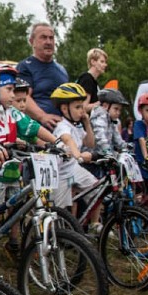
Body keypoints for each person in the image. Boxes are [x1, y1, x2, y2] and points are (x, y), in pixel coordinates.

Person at [49, 83, 102, 232]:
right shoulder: (62, 126)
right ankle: (57, 237)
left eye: (82, 106)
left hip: (73, 168)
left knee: (96, 190)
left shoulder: (76, 126)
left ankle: (94, 224)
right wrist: (78, 155)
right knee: (57, 213)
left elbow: (90, 143)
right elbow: (67, 140)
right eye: (77, 107)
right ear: (65, 109)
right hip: (60, 174)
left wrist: (86, 122)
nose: (82, 111)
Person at [16, 22, 69, 130]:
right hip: (38, 129)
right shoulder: (25, 67)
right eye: (43, 38)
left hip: (64, 128)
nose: (48, 42)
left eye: (51, 38)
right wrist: (42, 116)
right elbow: (22, 97)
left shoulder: (61, 70)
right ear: (32, 42)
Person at [89, 88, 128, 158]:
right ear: (105, 106)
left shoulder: (111, 120)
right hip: (94, 156)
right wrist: (107, 150)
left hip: (106, 155)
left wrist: (125, 146)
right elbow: (100, 135)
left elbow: (116, 137)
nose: (118, 113)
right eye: (116, 109)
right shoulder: (100, 117)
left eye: (120, 110)